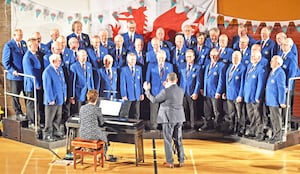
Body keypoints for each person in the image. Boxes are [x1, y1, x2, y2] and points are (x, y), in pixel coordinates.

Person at [143, 72, 185, 168]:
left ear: (167, 80)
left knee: (168, 140)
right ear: (177, 79)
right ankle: (181, 160)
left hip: (168, 118)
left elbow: (154, 100)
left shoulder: (165, 91)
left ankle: (170, 162)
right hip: (179, 117)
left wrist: (147, 91)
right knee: (178, 139)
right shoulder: (181, 90)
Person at [2, 28, 27, 120]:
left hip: (24, 76)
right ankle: (18, 112)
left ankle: (29, 113)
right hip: (14, 76)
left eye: (21, 35)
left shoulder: (24, 43)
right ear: (14, 35)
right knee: (15, 96)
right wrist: (12, 71)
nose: (21, 36)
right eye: (19, 35)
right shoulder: (9, 45)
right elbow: (5, 61)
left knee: (27, 95)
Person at [145, 50, 173, 130]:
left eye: (162, 58)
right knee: (154, 110)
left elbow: (172, 78)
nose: (161, 59)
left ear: (165, 58)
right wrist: (147, 88)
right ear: (157, 58)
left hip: (165, 92)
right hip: (154, 91)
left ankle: (165, 126)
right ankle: (154, 126)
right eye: (159, 58)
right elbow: (147, 78)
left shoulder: (169, 66)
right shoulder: (151, 66)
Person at [42, 54, 67, 141]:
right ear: (53, 61)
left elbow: (63, 83)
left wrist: (64, 95)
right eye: (58, 61)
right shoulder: (47, 71)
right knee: (49, 118)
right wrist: (50, 99)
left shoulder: (59, 69)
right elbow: (47, 87)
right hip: (52, 100)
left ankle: (56, 132)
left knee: (58, 117)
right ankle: (47, 134)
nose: (60, 62)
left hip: (60, 98)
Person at [222, 51, 246, 135]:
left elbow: (243, 83)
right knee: (231, 112)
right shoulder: (230, 67)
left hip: (237, 95)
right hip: (229, 94)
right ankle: (232, 127)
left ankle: (241, 128)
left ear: (240, 58)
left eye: (236, 57)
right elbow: (226, 80)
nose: (234, 59)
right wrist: (224, 91)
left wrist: (240, 95)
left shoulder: (242, 68)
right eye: (233, 57)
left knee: (239, 113)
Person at [79, 90, 108, 156]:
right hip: (93, 134)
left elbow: (80, 121)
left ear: (87, 97)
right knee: (105, 138)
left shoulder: (82, 108)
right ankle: (103, 156)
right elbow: (101, 123)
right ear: (97, 99)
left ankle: (90, 149)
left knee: (101, 134)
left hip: (82, 134)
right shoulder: (97, 109)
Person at [178, 49, 201, 129]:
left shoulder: (198, 67)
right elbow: (180, 79)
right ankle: (183, 124)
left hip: (192, 92)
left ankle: (193, 125)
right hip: (183, 91)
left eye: (190, 56)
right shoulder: (182, 66)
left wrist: (196, 92)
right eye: (187, 57)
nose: (189, 58)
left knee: (193, 109)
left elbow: (198, 81)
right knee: (183, 108)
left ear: (194, 57)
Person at [265, 55, 286, 143]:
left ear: (277, 63)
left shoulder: (280, 72)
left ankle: (278, 137)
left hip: (275, 101)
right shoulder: (272, 71)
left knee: (276, 119)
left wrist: (281, 101)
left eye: (272, 61)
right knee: (273, 119)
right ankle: (274, 135)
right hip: (270, 100)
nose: (270, 62)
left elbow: (281, 88)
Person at [22, 38, 42, 128]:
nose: (37, 45)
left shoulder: (35, 55)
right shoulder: (27, 57)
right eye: (35, 44)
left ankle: (37, 121)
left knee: (36, 104)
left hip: (36, 83)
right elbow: (31, 72)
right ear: (30, 46)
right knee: (31, 104)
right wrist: (37, 84)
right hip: (31, 84)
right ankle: (32, 122)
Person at [69, 50, 94, 114]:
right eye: (82, 56)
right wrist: (72, 95)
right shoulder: (73, 66)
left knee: (88, 112)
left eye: (85, 55)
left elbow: (91, 79)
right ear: (78, 57)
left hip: (88, 93)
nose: (84, 57)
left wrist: (93, 91)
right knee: (79, 112)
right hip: (79, 94)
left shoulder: (89, 65)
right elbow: (72, 82)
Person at [120, 53, 144, 119]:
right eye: (131, 59)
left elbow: (140, 81)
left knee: (136, 112)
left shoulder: (139, 68)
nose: (133, 61)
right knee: (126, 112)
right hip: (128, 94)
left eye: (134, 59)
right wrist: (124, 94)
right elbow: (123, 83)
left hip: (137, 94)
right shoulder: (124, 69)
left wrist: (142, 93)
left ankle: (136, 127)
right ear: (128, 60)